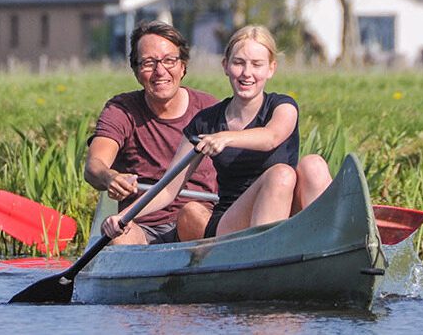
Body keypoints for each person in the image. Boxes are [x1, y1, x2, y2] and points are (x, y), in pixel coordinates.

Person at [101, 25, 333, 241]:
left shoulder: (282, 107)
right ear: (225, 66)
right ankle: (262, 259)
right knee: (281, 174)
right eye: (239, 63)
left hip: (283, 210)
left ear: (271, 68)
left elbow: (271, 137)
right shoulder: (205, 122)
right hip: (231, 221)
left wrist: (226, 138)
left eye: (256, 64)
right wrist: (124, 217)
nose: (246, 73)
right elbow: (169, 188)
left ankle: (329, 246)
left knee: (313, 164)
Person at [86, 20, 221, 245]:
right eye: (149, 63)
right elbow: (94, 165)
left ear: (183, 66)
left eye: (169, 60)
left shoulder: (209, 108)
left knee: (192, 214)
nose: (160, 71)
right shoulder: (121, 110)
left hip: (196, 222)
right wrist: (110, 177)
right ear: (137, 71)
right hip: (141, 226)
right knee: (118, 238)